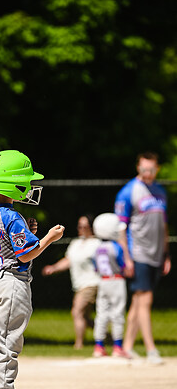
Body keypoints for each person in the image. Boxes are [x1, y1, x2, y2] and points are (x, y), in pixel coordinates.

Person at [0, 149, 64, 389]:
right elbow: (25, 254)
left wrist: (28, 231)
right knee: (8, 344)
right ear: (11, 183)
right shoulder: (12, 216)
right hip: (13, 284)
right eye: (25, 181)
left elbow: (10, 243)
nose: (29, 186)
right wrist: (49, 238)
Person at [114, 152, 171, 364]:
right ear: (138, 168)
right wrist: (127, 258)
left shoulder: (160, 192)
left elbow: (164, 226)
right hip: (137, 252)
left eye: (152, 170)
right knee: (145, 300)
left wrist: (166, 254)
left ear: (157, 169)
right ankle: (151, 349)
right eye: (144, 169)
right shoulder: (129, 191)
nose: (148, 174)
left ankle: (126, 347)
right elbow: (121, 228)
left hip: (156, 254)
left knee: (139, 300)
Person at [42, 215, 100, 349]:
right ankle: (107, 337)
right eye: (79, 226)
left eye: (84, 226)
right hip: (79, 284)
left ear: (91, 228)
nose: (81, 229)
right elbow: (68, 260)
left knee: (77, 312)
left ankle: (78, 345)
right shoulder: (76, 243)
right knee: (85, 317)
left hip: (92, 283)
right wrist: (54, 268)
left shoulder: (97, 244)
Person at [92, 213, 129, 358]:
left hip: (103, 281)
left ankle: (99, 346)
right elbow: (122, 264)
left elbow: (95, 267)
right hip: (116, 280)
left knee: (101, 313)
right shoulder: (116, 247)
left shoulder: (97, 248)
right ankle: (117, 347)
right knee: (117, 313)